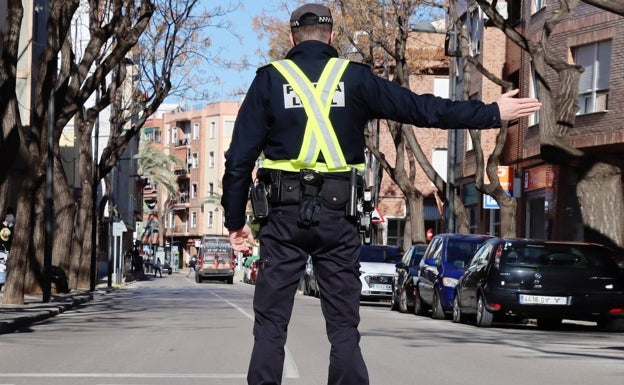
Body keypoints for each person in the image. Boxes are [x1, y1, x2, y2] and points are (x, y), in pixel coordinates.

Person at [221, 4, 542, 385]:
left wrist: (236, 222)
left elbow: (239, 158)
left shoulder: (269, 80)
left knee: (271, 322)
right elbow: (421, 109)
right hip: (338, 216)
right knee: (342, 324)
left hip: (284, 217)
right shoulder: (356, 79)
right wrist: (490, 111)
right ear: (332, 37)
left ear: (292, 39)